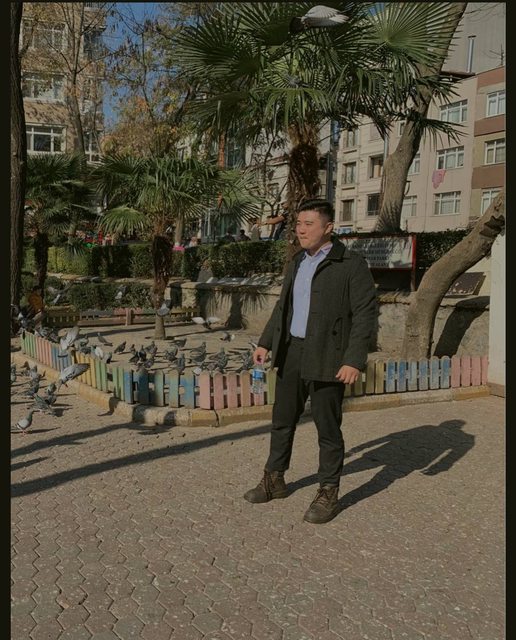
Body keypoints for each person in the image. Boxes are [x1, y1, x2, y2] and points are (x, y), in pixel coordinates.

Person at [244, 199, 377, 524]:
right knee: (282, 419)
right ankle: (274, 479)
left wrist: (353, 360)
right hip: (292, 352)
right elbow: (283, 308)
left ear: (328, 227)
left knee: (327, 427)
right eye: (299, 224)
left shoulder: (350, 264)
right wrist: (266, 342)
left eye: (308, 224)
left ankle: (328, 492)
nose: (300, 230)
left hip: (329, 356)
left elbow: (365, 314)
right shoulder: (297, 262)